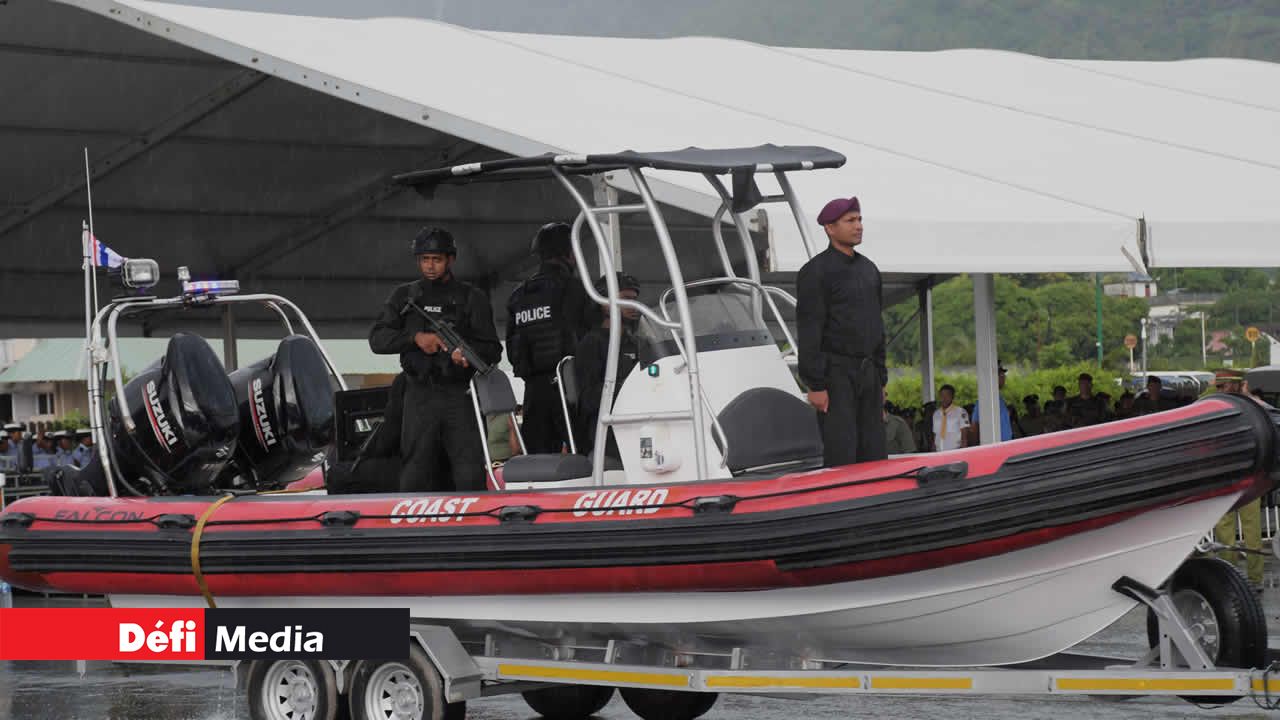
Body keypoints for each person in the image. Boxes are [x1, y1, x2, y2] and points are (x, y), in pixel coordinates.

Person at [369, 226, 502, 493]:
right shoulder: (404, 295)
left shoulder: (471, 297)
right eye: (425, 259)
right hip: (419, 395)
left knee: (469, 474)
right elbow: (378, 339)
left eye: (437, 259)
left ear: (450, 260)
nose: (430, 266)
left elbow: (492, 350)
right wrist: (415, 338)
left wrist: (464, 355)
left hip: (459, 395)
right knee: (415, 473)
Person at [795, 196, 887, 467]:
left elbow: (876, 326)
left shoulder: (869, 269)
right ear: (830, 228)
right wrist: (815, 385)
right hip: (835, 374)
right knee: (841, 447)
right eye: (850, 221)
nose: (858, 226)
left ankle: (874, 503)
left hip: (868, 371)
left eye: (859, 219)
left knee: (874, 446)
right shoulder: (815, 272)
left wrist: (880, 378)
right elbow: (810, 328)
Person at [506, 223, 596, 454]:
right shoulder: (577, 289)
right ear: (570, 253)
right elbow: (592, 339)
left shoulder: (519, 295)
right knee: (585, 458)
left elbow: (512, 347)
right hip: (570, 389)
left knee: (536, 463)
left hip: (533, 393)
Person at [574, 273, 642, 459]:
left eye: (635, 300)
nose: (633, 305)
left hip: (638, 422)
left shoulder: (637, 342)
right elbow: (589, 399)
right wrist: (628, 389)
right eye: (625, 299)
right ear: (604, 303)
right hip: (607, 431)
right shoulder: (591, 343)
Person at [1210, 368, 1264, 590]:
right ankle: (1243, 578)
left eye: (1224, 386)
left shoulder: (1213, 406)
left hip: (1237, 477)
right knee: (1234, 529)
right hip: (1240, 476)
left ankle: (1244, 579)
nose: (1222, 390)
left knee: (1241, 530)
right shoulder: (1252, 407)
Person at [969, 366, 1013, 444]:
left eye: (1004, 375)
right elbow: (975, 426)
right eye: (1001, 375)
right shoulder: (986, 399)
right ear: (992, 378)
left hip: (1005, 445)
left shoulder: (998, 398)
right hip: (994, 447)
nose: (1004, 378)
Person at [931, 385, 968, 451]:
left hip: (955, 451)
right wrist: (933, 449)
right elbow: (935, 434)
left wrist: (963, 451)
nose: (944, 398)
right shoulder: (936, 414)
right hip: (939, 451)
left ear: (952, 397)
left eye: (947, 395)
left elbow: (964, 435)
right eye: (942, 396)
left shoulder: (961, 412)